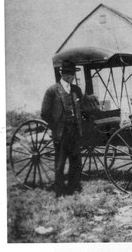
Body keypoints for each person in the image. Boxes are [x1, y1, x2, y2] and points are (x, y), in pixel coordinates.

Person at [41, 61, 83, 197]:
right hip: (61, 132)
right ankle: (59, 191)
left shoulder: (76, 90)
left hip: (74, 130)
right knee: (60, 162)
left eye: (73, 74)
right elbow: (45, 113)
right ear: (63, 74)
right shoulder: (52, 90)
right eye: (69, 74)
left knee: (75, 160)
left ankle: (74, 187)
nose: (72, 77)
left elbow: (81, 108)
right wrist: (56, 127)